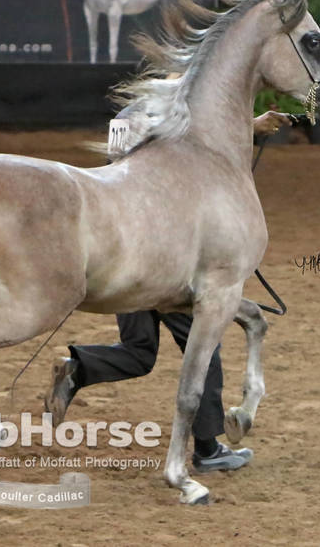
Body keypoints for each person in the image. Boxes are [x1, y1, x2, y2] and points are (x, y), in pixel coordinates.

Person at [45, 109, 292, 472]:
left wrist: (250, 127)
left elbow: (114, 167)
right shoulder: (181, 113)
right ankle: (208, 450)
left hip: (126, 258)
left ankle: (78, 369)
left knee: (138, 352)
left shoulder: (124, 116)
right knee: (205, 348)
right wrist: (248, 129)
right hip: (170, 261)